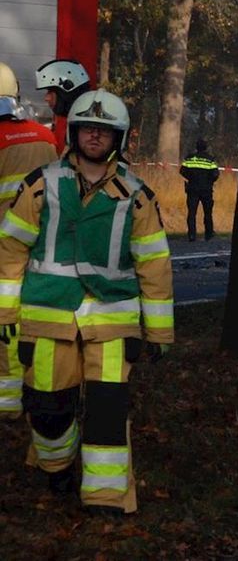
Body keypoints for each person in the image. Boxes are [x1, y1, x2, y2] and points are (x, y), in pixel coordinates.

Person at [0, 89, 173, 515]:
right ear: (74, 133)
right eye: (87, 129)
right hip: (47, 318)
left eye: (104, 131)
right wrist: (5, 313)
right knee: (46, 409)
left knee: (107, 413)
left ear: (120, 138)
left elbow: (154, 265)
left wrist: (159, 332)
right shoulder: (40, 185)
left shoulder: (137, 196)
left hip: (112, 324)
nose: (95, 137)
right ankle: (56, 463)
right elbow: (10, 250)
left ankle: (106, 497)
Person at [0, 62, 63, 421]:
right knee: (35, 320)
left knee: (4, 321)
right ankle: (38, 391)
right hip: (42, 245)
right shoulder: (44, 136)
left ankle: (7, 402)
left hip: (4, 249)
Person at [35, 59, 91, 148]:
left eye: (50, 91)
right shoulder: (77, 126)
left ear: (67, 89)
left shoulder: (87, 131)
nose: (46, 98)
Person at [180, 138, 220, 241]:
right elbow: (215, 174)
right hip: (206, 189)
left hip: (192, 188)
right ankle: (209, 233)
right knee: (207, 212)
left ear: (196, 147)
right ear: (206, 148)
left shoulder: (190, 158)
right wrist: (209, 181)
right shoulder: (210, 159)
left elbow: (182, 171)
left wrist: (191, 178)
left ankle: (192, 235)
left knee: (192, 212)